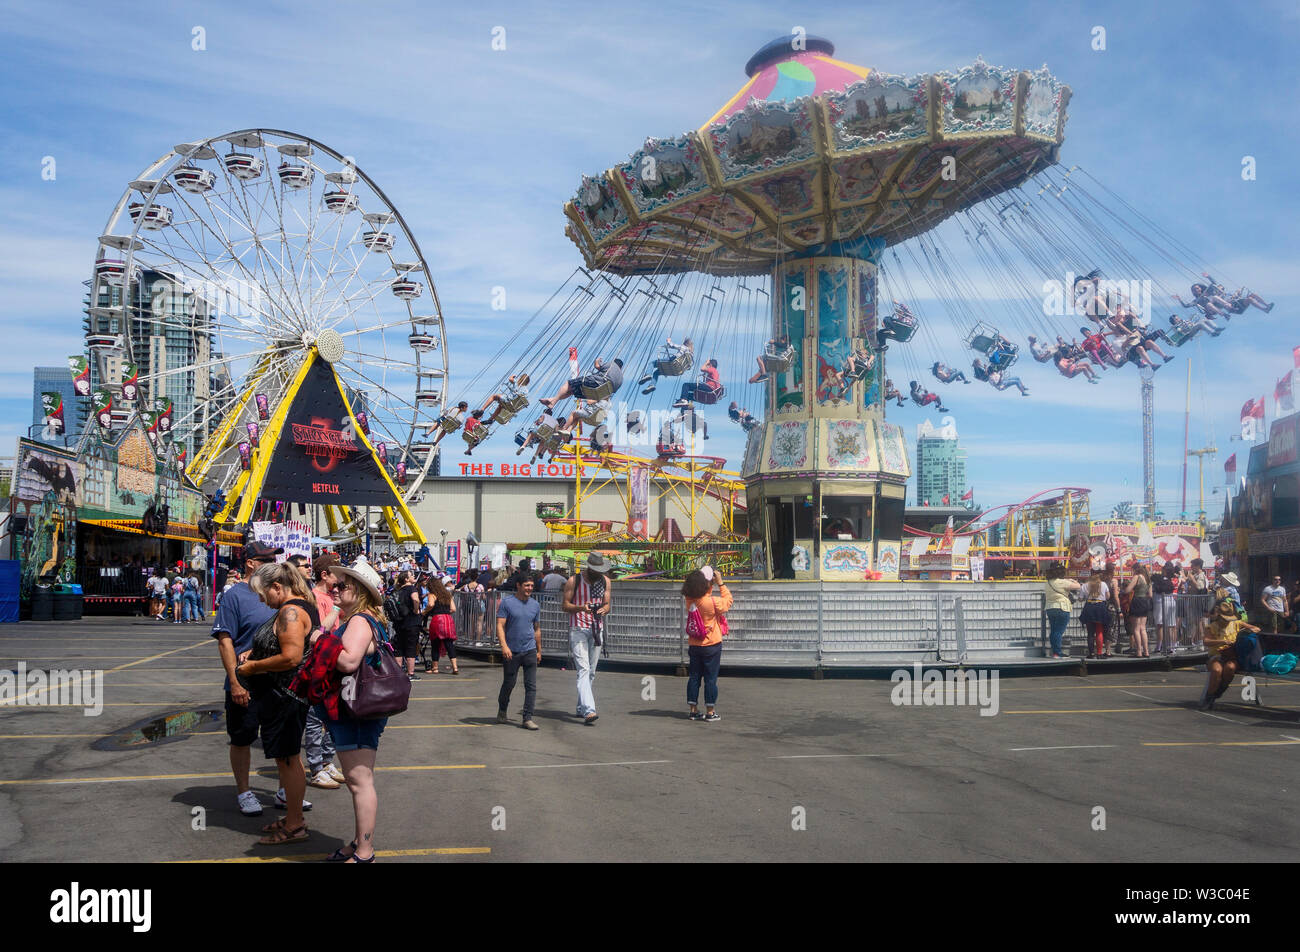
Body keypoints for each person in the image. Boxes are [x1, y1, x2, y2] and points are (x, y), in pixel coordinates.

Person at [310, 560, 392, 862]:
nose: (335, 588)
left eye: (342, 585)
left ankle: (365, 852)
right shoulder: (361, 618)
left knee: (360, 781)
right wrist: (332, 618)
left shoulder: (359, 622)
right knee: (359, 780)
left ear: (358, 591)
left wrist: (321, 639)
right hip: (357, 709)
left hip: (356, 711)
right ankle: (359, 843)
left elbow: (347, 662)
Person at [239, 562, 318, 845]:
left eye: (263, 594)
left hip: (285, 695)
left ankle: (295, 825)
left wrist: (254, 666)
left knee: (288, 760)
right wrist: (256, 650)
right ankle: (293, 816)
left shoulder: (291, 611)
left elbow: (292, 657)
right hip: (282, 695)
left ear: (277, 587)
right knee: (287, 759)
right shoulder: (294, 608)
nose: (262, 600)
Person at [211, 541, 281, 816]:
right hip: (246, 681)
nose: (271, 563)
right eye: (265, 559)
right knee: (242, 738)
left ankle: (287, 790)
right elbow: (225, 641)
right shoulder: (234, 596)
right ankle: (244, 792)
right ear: (250, 563)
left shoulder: (280, 592)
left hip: (277, 680)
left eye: (274, 558)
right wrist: (236, 682)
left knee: (281, 739)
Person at [304, 554, 345, 790]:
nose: (339, 580)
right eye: (335, 575)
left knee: (332, 716)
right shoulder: (316, 598)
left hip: (333, 663)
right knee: (315, 718)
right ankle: (316, 767)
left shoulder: (332, 597)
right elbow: (319, 631)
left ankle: (328, 761)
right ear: (324, 575)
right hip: (319, 663)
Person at [563, 553, 612, 725]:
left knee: (591, 671)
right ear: (589, 567)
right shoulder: (573, 581)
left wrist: (605, 609)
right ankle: (589, 710)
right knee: (583, 669)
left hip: (596, 628)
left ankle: (581, 707)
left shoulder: (605, 581)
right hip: (578, 628)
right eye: (596, 570)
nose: (598, 573)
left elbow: (607, 603)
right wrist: (580, 608)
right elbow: (565, 605)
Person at [682, 566, 731, 720]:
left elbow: (696, 591)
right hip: (712, 645)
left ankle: (693, 710)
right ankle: (710, 711)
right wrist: (720, 583)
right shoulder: (713, 602)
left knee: (694, 677)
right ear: (707, 585)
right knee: (710, 678)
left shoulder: (689, 601)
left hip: (694, 645)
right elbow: (728, 601)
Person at [496, 575, 542, 730]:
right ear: (518, 585)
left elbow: (536, 629)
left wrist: (539, 650)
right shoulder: (507, 603)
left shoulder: (535, 605)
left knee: (531, 686)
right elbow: (500, 626)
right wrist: (504, 646)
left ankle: (527, 718)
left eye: (531, 585)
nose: (529, 588)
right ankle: (502, 710)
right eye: (526, 585)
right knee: (509, 683)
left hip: (529, 650)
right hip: (512, 651)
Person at [1199, 599, 1261, 711]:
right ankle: (1209, 697)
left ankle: (1218, 692)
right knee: (1217, 670)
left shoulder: (1237, 624)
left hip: (1232, 655)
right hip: (1217, 655)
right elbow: (1206, 641)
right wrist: (1222, 642)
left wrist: (1244, 634)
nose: (1227, 621)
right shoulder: (1212, 626)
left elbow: (1256, 629)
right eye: (1225, 619)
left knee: (1230, 667)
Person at [539, 357, 625, 408]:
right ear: (621, 368)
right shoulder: (621, 379)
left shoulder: (611, 364)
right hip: (598, 394)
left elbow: (597, 366)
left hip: (595, 382)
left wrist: (597, 360)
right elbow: (611, 393)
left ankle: (553, 402)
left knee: (569, 384)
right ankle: (552, 400)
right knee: (572, 391)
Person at [390, 571, 424, 680]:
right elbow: (415, 599)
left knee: (399, 648)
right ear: (406, 579)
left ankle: (398, 673)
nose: (414, 576)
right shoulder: (412, 589)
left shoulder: (398, 590)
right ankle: (410, 673)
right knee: (411, 648)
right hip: (411, 622)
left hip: (399, 622)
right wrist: (415, 610)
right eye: (411, 575)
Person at [1043, 563, 1079, 659]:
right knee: (1059, 631)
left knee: (1054, 631)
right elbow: (1078, 586)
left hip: (1050, 608)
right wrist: (1071, 580)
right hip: (1062, 607)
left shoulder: (1048, 582)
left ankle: (1055, 652)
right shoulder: (1062, 582)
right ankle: (1057, 653)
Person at [426, 576, 459, 675]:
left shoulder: (432, 595)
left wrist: (424, 612)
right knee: (449, 644)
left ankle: (435, 668)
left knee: (435, 644)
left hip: (437, 619)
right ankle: (455, 667)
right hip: (448, 619)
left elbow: (431, 605)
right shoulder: (447, 594)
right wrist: (445, 611)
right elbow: (453, 609)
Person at [1124, 564, 1152, 658]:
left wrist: (1126, 587)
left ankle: (1139, 652)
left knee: (1136, 628)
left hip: (1137, 601)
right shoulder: (1148, 579)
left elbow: (1128, 590)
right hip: (1145, 602)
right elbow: (1150, 595)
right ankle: (1146, 651)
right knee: (1143, 628)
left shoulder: (1137, 577)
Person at [1151, 562, 1179, 654]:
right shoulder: (1169, 580)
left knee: (1161, 625)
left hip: (1161, 601)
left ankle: (1160, 646)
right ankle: (1171, 647)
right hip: (1169, 601)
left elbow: (1154, 580)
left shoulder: (1159, 579)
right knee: (1170, 625)